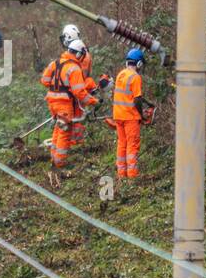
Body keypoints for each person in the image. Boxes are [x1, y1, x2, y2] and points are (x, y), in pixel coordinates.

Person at [40, 38, 97, 177]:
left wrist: (57, 87)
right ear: (78, 54)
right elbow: (80, 93)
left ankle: (54, 158)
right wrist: (94, 101)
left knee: (58, 129)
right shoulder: (74, 68)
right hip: (64, 104)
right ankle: (59, 164)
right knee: (65, 132)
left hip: (52, 102)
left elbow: (44, 80)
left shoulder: (55, 63)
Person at [59, 24, 109, 149]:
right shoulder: (81, 50)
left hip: (78, 88)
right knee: (76, 117)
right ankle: (75, 142)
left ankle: (76, 143)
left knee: (76, 117)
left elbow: (77, 75)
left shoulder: (79, 55)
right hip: (79, 87)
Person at [111, 48, 154, 179]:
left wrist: (148, 103)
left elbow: (132, 96)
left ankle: (121, 174)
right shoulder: (136, 77)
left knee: (122, 144)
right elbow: (136, 100)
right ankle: (132, 176)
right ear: (139, 64)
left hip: (118, 115)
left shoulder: (121, 74)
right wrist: (141, 115)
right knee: (132, 145)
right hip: (130, 117)